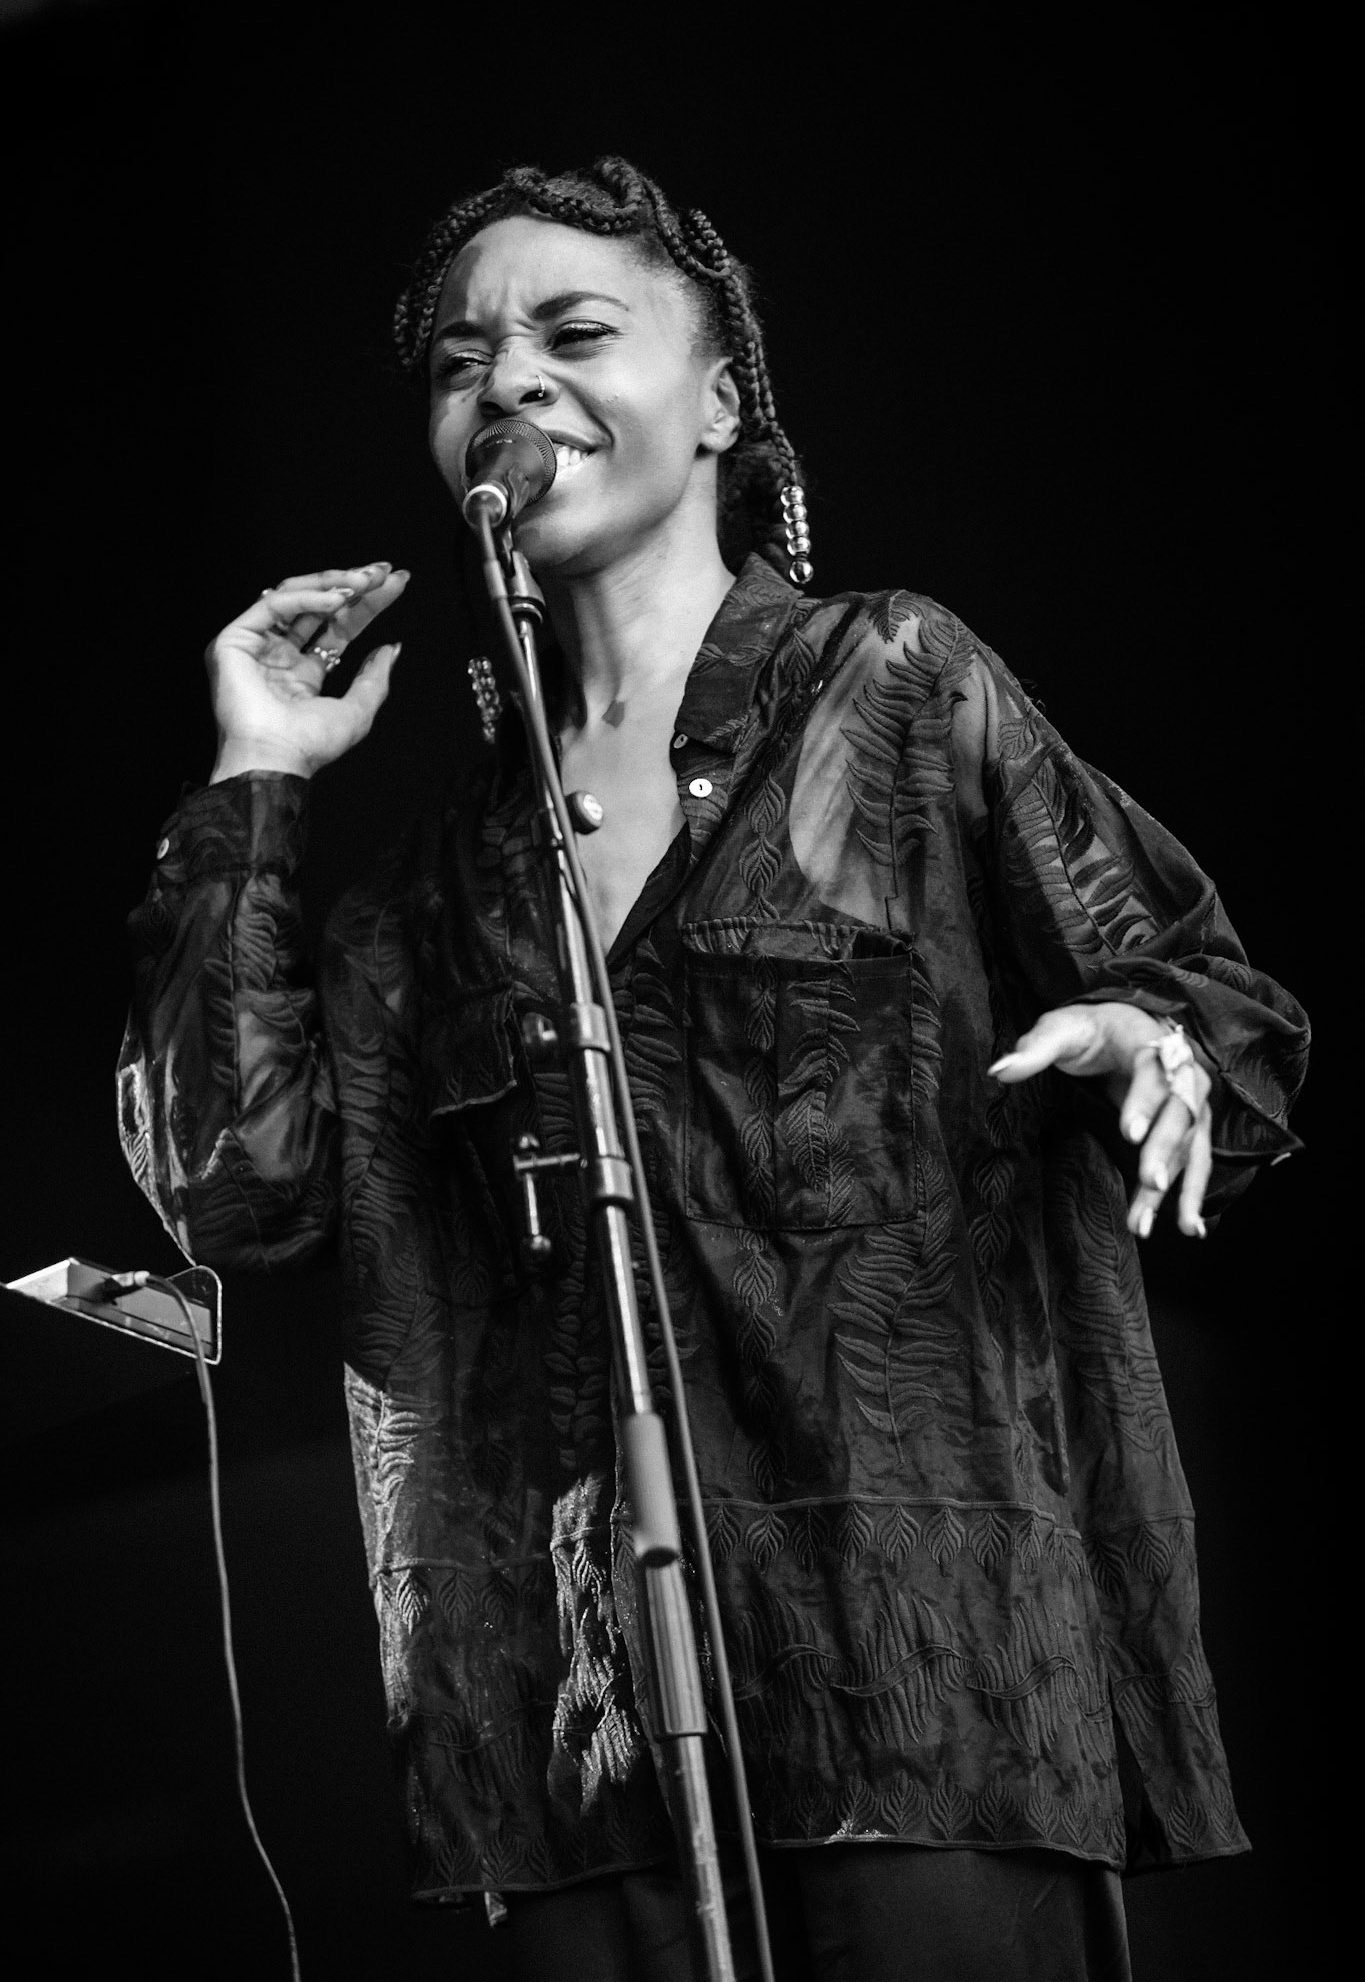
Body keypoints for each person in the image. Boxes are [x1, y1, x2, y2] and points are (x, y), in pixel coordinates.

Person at [118, 159, 1308, 1981]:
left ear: (724, 404)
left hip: (931, 1698)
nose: (506, 381)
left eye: (573, 332)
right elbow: (238, 1185)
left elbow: (1214, 992)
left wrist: (1152, 1039)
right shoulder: (433, 891)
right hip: (578, 1740)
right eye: (460, 363)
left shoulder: (890, 686)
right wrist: (254, 784)